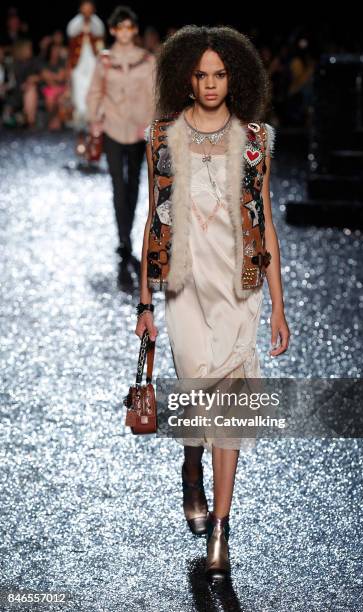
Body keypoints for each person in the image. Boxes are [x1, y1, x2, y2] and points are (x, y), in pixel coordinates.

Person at [135, 25, 290, 581]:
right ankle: (191, 465)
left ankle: (221, 531)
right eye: (200, 74)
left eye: (219, 74)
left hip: (239, 286)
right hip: (184, 287)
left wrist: (277, 303)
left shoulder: (254, 138)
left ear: (235, 77)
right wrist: (144, 305)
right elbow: (156, 218)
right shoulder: (161, 136)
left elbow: (265, 220)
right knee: (197, 392)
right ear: (185, 77)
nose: (209, 83)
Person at [86, 6, 156, 284]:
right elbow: (94, 92)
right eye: (120, 27)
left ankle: (125, 234)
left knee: (134, 184)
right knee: (117, 182)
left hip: (139, 129)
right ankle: (124, 239)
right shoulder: (104, 61)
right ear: (114, 30)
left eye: (130, 27)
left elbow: (155, 94)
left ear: (134, 30)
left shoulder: (147, 60)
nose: (125, 32)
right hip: (113, 126)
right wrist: (94, 119)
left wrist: (151, 123)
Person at [66, 0, 105, 129]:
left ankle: (91, 117)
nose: (87, 11)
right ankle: (80, 117)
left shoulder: (97, 23)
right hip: (78, 62)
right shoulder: (75, 23)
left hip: (92, 60)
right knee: (78, 86)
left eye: (89, 8)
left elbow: (100, 40)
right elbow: (71, 34)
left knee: (92, 86)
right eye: (85, 8)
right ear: (80, 9)